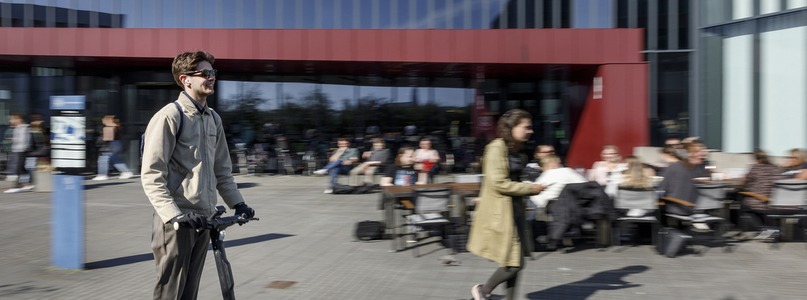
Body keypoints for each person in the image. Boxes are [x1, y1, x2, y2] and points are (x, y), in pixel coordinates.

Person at [141, 50, 255, 300]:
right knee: (170, 294)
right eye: (205, 73)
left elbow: (222, 170)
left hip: (204, 218)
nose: (211, 77)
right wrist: (174, 215)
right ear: (185, 79)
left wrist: (238, 203)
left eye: (213, 72)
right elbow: (151, 176)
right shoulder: (170, 116)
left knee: (189, 293)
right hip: (177, 222)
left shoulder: (213, 119)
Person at [467, 109, 547, 300]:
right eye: (526, 127)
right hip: (501, 213)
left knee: (514, 261)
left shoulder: (516, 149)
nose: (530, 131)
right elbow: (498, 183)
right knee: (514, 263)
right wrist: (530, 189)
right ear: (511, 127)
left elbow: (514, 176)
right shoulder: (496, 148)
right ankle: (483, 291)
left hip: (515, 211)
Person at [657, 141, 710, 216]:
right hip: (700, 210)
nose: (702, 155)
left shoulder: (674, 167)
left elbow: (662, 189)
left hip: (679, 209)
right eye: (698, 152)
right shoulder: (701, 169)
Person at [93, 115, 133, 180]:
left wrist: (100, 140)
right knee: (115, 159)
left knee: (103, 159)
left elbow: (107, 138)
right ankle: (126, 172)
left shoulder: (109, 128)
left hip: (109, 145)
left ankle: (102, 174)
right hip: (117, 144)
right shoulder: (117, 126)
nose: (102, 121)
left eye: (104, 120)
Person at [3, 114, 30, 193]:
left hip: (20, 150)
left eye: (12, 119)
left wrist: (13, 140)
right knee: (21, 169)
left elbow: (23, 140)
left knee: (17, 169)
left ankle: (17, 186)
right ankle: (25, 185)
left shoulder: (23, 128)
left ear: (18, 119)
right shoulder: (17, 128)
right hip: (17, 150)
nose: (10, 121)